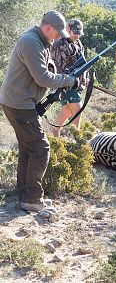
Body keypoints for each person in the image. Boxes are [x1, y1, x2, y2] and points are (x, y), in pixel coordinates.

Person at [0, 11, 82, 212]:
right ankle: (32, 199)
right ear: (48, 29)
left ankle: (25, 194)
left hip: (18, 102)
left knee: (29, 148)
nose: (58, 38)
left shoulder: (40, 42)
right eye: (56, 34)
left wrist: (63, 76)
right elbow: (43, 79)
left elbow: (46, 70)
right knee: (41, 148)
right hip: (19, 105)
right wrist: (68, 80)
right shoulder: (31, 42)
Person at [51, 19, 87, 137]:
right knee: (77, 110)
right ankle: (76, 140)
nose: (77, 36)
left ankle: (55, 135)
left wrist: (85, 78)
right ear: (68, 29)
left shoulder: (78, 43)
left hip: (76, 84)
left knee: (67, 110)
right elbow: (58, 68)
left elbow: (82, 63)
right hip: (65, 84)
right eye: (74, 33)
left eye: (78, 33)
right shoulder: (59, 44)